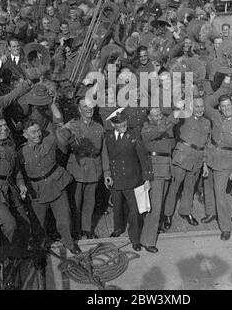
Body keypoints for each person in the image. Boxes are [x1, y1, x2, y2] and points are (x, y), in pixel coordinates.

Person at [20, 118, 80, 254]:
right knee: (38, 223)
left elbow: (62, 133)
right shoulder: (21, 153)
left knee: (64, 216)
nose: (37, 135)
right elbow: (18, 174)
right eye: (33, 132)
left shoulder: (50, 140)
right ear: (25, 135)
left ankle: (69, 243)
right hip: (37, 190)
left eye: (39, 131)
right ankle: (39, 251)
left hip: (56, 184)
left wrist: (66, 127)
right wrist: (22, 186)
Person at [56, 97, 110, 240]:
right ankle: (75, 230)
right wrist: (63, 128)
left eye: (91, 106)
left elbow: (103, 151)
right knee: (75, 202)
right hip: (77, 169)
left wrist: (107, 172)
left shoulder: (99, 127)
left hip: (94, 168)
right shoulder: (73, 125)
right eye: (85, 106)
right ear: (79, 109)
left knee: (90, 202)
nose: (89, 109)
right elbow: (62, 143)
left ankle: (86, 229)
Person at [204, 77, 232, 240]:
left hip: (226, 163)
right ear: (220, 108)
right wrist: (225, 87)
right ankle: (211, 213)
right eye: (223, 106)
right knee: (207, 188)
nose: (227, 108)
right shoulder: (215, 115)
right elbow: (207, 103)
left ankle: (226, 227)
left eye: (229, 105)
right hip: (210, 158)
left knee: (220, 195)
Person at [104, 109, 153, 251]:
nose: (123, 125)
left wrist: (147, 178)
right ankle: (118, 228)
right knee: (117, 207)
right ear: (113, 125)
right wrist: (107, 174)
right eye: (119, 123)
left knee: (135, 211)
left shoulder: (134, 135)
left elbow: (144, 157)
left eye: (124, 121)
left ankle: (135, 239)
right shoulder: (108, 137)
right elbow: (105, 157)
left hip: (133, 179)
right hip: (115, 178)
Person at [164, 97, 211, 229]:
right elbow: (169, 121)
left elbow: (206, 145)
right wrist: (178, 108)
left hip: (197, 159)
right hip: (182, 156)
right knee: (173, 188)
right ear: (191, 107)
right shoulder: (185, 116)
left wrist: (205, 163)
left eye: (202, 106)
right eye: (197, 106)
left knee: (190, 188)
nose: (200, 109)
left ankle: (186, 212)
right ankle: (167, 214)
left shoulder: (207, 122)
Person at [140, 107, 179, 252]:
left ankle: (152, 231)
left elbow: (170, 143)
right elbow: (160, 130)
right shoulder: (147, 130)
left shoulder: (162, 127)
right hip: (156, 170)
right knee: (155, 208)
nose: (159, 117)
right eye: (155, 115)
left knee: (159, 205)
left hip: (166, 167)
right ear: (149, 118)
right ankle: (148, 241)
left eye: (160, 114)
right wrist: (174, 116)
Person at [0, 114, 27, 249]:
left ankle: (19, 254)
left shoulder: (11, 145)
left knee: (25, 223)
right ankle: (5, 256)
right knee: (9, 224)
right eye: (0, 126)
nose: (4, 128)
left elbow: (16, 171)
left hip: (11, 190)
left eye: (5, 125)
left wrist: (21, 184)